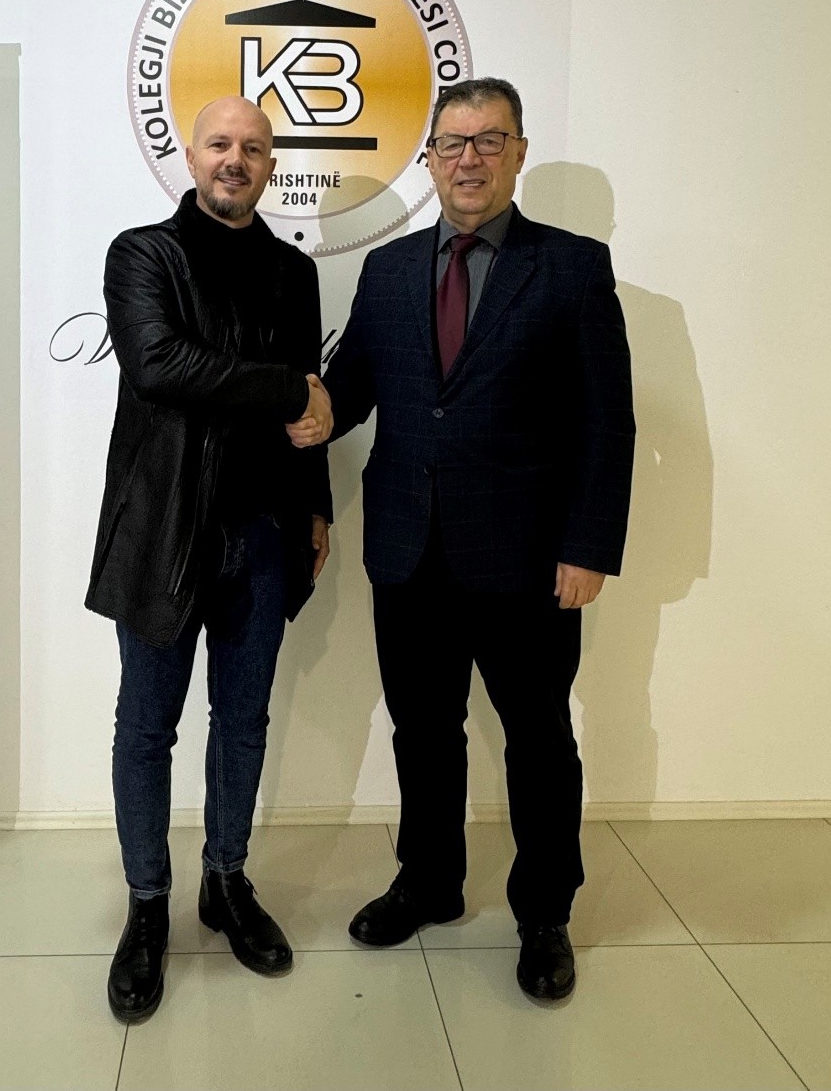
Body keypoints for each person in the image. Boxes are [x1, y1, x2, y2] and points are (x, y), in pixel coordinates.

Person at [291, 76, 634, 1000]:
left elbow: (607, 422)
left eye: (490, 140)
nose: (470, 159)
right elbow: (354, 384)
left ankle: (545, 912)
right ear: (431, 159)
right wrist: (307, 407)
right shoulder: (390, 270)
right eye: (454, 143)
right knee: (423, 731)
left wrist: (588, 547)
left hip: (527, 559)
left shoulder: (572, 267)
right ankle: (430, 882)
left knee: (539, 741)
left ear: (518, 152)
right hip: (409, 552)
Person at [87, 95, 334, 1022]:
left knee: (243, 721)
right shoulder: (142, 255)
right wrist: (287, 387)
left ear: (271, 165)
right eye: (220, 143)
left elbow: (311, 417)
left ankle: (226, 879)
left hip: (264, 533)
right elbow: (161, 365)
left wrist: (316, 506)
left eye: (254, 147)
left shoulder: (293, 271)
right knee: (146, 727)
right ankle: (147, 905)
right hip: (163, 532)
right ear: (190, 157)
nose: (237, 158)